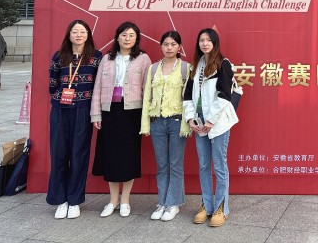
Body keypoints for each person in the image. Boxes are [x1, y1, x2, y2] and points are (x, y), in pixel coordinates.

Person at [91, 21, 151, 217]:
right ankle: (113, 200)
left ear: (136, 39)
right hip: (110, 111)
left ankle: (125, 200)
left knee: (128, 157)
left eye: (131, 35)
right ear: (117, 37)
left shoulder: (143, 59)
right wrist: (96, 114)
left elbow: (147, 89)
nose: (127, 38)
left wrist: (146, 118)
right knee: (110, 156)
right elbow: (97, 88)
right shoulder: (107, 59)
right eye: (124, 35)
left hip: (132, 113)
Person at [47, 19, 102, 219]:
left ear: (88, 35)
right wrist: (60, 96)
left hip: (83, 110)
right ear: (69, 35)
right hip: (60, 111)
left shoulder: (96, 57)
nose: (79, 35)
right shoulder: (59, 56)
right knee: (59, 154)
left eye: (82, 32)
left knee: (79, 155)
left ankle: (74, 200)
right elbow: (52, 84)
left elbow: (98, 85)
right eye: (75, 32)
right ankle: (60, 199)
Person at [183, 28, 238, 228]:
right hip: (200, 123)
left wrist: (211, 121)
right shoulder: (195, 66)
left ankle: (221, 207)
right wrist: (191, 118)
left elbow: (225, 95)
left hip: (218, 123)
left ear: (215, 43)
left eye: (208, 40)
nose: (205, 43)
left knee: (220, 165)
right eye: (202, 40)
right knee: (204, 165)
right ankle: (206, 205)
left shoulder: (223, 64)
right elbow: (188, 96)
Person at [141, 30, 190, 222]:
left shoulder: (186, 68)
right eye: (166, 44)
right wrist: (145, 124)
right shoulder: (153, 69)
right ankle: (162, 202)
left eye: (173, 44)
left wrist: (186, 125)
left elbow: (188, 99)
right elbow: (147, 97)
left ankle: (173, 204)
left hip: (177, 121)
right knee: (162, 165)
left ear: (179, 47)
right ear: (161, 46)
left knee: (175, 164)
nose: (169, 48)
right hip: (157, 122)